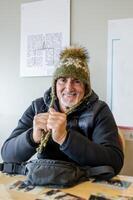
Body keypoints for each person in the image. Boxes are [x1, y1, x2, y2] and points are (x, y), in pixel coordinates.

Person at [1, 46, 124, 176]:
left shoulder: (99, 110)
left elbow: (114, 161)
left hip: (84, 184)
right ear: (55, 85)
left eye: (76, 81)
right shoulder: (38, 107)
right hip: (44, 181)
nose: (68, 88)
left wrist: (65, 138)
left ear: (86, 87)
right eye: (63, 80)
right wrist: (32, 137)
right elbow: (7, 155)